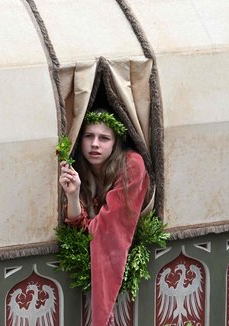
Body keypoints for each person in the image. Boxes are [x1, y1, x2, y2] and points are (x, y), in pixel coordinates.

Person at [59, 110, 149, 325]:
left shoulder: (131, 165)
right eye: (89, 136)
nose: (95, 144)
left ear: (116, 142)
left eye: (104, 138)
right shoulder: (77, 169)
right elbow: (80, 229)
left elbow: (109, 231)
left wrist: (91, 224)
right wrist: (73, 195)